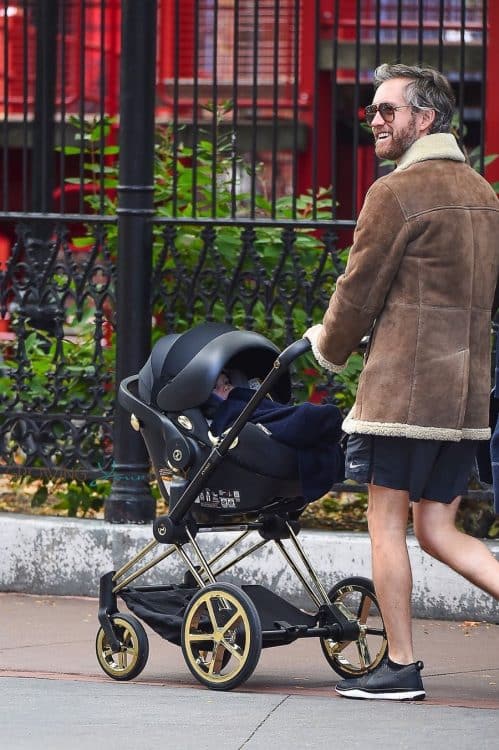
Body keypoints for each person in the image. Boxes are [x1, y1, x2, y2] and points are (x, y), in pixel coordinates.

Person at [304, 63, 499, 701]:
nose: (376, 120)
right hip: (464, 398)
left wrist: (326, 348)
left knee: (386, 526)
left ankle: (401, 665)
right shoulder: (482, 195)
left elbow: (358, 291)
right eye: (374, 110)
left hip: (403, 399)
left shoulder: (396, 193)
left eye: (389, 110)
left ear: (427, 119)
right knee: (439, 530)